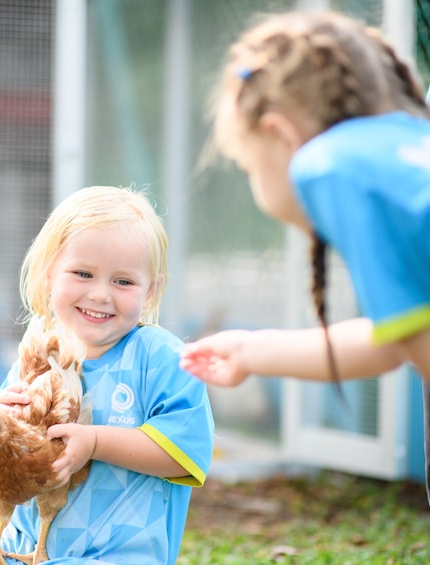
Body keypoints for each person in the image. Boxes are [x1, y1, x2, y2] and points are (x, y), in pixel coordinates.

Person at [178, 10, 430, 500]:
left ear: (281, 136)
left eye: (248, 165)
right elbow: (396, 342)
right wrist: (251, 352)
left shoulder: (330, 165)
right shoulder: (410, 144)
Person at [0, 186, 214, 565]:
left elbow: (185, 454)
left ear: (151, 290)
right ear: (48, 276)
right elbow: (7, 475)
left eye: (123, 281)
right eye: (83, 273)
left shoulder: (161, 357)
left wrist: (93, 442)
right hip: (21, 553)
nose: (100, 294)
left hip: (115, 558)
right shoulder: (36, 358)